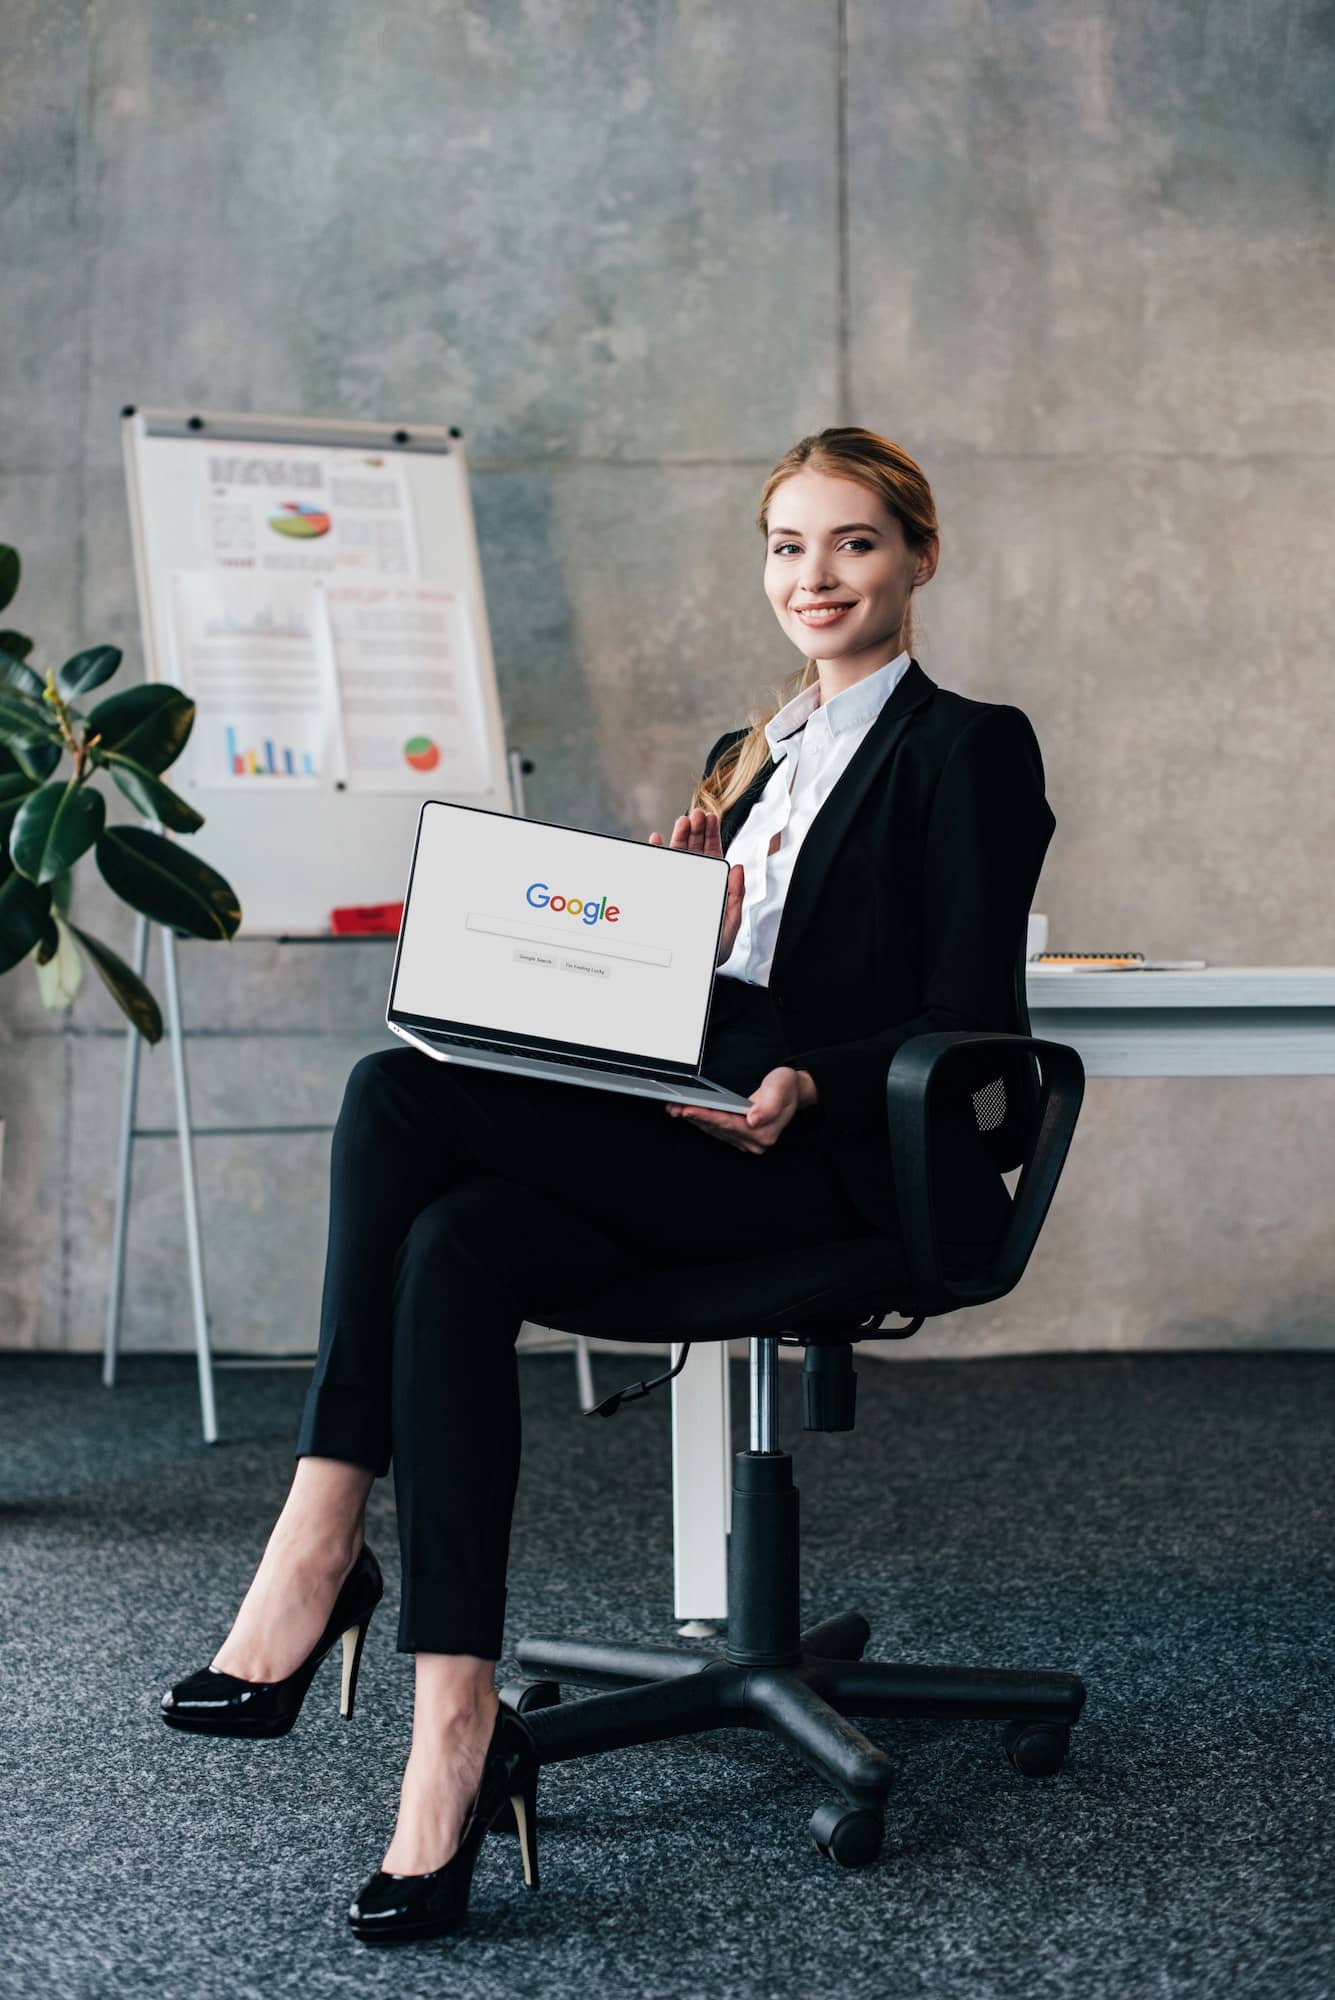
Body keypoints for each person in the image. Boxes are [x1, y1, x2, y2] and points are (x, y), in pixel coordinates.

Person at [159, 425, 1055, 1944]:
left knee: (392, 1096)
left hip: (834, 1169)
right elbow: (723, 990)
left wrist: (814, 1079)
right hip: (689, 1128)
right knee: (450, 1243)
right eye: (788, 545)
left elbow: (973, 1013)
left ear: (919, 557)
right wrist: (670, 937)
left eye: (852, 543)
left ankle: (316, 1552)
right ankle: (452, 1726)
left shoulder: (968, 746)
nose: (816, 576)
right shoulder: (747, 754)